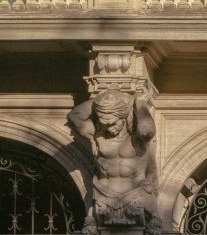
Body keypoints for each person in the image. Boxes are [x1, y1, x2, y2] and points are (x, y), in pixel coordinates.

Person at [68, 89, 160, 234]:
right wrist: (102, 101)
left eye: (113, 123)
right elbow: (75, 116)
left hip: (136, 193)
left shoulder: (136, 137)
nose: (110, 128)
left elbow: (148, 130)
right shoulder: (98, 135)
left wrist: (139, 103)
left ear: (123, 116)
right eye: (105, 125)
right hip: (104, 195)